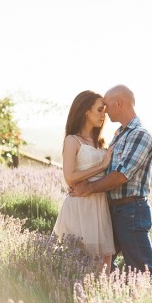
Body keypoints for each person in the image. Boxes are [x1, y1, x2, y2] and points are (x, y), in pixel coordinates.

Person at [70, 85, 152, 275]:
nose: (106, 111)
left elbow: (121, 175)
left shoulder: (139, 135)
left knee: (144, 271)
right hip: (111, 209)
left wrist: (88, 188)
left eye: (107, 106)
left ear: (118, 103)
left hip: (130, 211)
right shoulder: (120, 134)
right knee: (102, 267)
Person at [53, 90, 115, 273]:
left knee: (103, 267)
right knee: (76, 266)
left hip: (100, 207)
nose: (104, 115)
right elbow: (69, 176)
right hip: (79, 207)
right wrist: (101, 166)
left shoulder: (101, 142)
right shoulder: (73, 140)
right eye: (99, 110)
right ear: (85, 111)